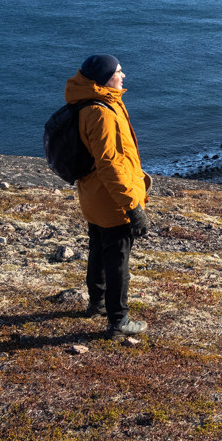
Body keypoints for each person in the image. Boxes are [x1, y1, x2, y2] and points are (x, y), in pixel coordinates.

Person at [65, 54, 152, 339]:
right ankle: (118, 321)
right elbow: (111, 164)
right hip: (112, 201)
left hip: (94, 196)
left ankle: (97, 303)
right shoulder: (101, 112)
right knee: (117, 262)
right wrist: (132, 207)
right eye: (118, 71)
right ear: (104, 78)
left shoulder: (91, 102)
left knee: (99, 251)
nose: (123, 75)